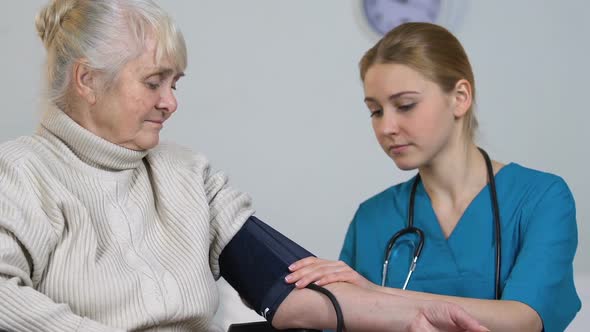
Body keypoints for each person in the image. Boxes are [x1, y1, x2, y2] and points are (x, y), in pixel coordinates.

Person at [0, 1, 491, 331]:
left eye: (176, 83)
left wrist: (424, 313)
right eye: (154, 82)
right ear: (87, 80)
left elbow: (285, 284)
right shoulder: (21, 172)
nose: (171, 103)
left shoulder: (186, 173)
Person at [286, 22, 581, 332]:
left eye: (405, 105)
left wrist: (373, 295)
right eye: (376, 111)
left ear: (460, 97)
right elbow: (341, 319)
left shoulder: (541, 198)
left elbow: (524, 319)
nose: (386, 127)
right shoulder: (372, 219)